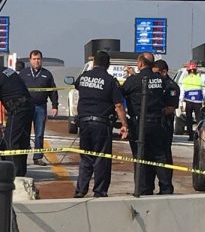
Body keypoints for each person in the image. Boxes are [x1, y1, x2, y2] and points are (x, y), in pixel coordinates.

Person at [73, 51, 129, 198]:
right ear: (108, 65)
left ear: (94, 63)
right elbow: (118, 105)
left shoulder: (83, 77)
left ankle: (80, 190)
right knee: (101, 158)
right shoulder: (110, 81)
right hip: (101, 124)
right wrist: (124, 124)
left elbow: (77, 85)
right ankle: (99, 191)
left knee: (86, 157)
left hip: (84, 123)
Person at [122, 52, 174, 196]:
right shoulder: (160, 80)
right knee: (160, 157)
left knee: (141, 158)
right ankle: (166, 189)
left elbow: (122, 93)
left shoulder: (133, 80)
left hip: (139, 125)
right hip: (158, 124)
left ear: (140, 64)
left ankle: (143, 190)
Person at [19, 50, 58, 166]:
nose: (36, 61)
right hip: (26, 107)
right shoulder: (23, 73)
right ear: (30, 60)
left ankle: (38, 157)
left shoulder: (47, 74)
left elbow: (53, 91)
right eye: (34, 59)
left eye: (38, 59)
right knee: (24, 132)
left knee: (39, 133)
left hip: (40, 107)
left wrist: (55, 105)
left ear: (41, 60)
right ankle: (23, 158)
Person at [153, 59, 180, 166]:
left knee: (164, 154)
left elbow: (171, 108)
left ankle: (166, 181)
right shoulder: (155, 84)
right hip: (153, 123)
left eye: (156, 73)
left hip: (165, 124)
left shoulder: (171, 86)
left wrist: (156, 111)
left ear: (163, 72)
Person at [181, 60, 204, 141]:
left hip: (188, 101)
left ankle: (191, 136)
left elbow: (182, 92)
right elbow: (204, 91)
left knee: (189, 119)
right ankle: (199, 136)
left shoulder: (185, 80)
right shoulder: (200, 79)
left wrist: (180, 102)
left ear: (188, 70)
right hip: (198, 101)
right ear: (195, 70)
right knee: (199, 119)